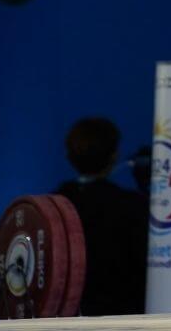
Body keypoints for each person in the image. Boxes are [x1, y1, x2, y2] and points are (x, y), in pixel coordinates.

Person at [55, 117, 147, 315]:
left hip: (66, 318)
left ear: (69, 155)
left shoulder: (54, 205)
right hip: (122, 317)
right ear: (114, 155)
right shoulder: (130, 206)